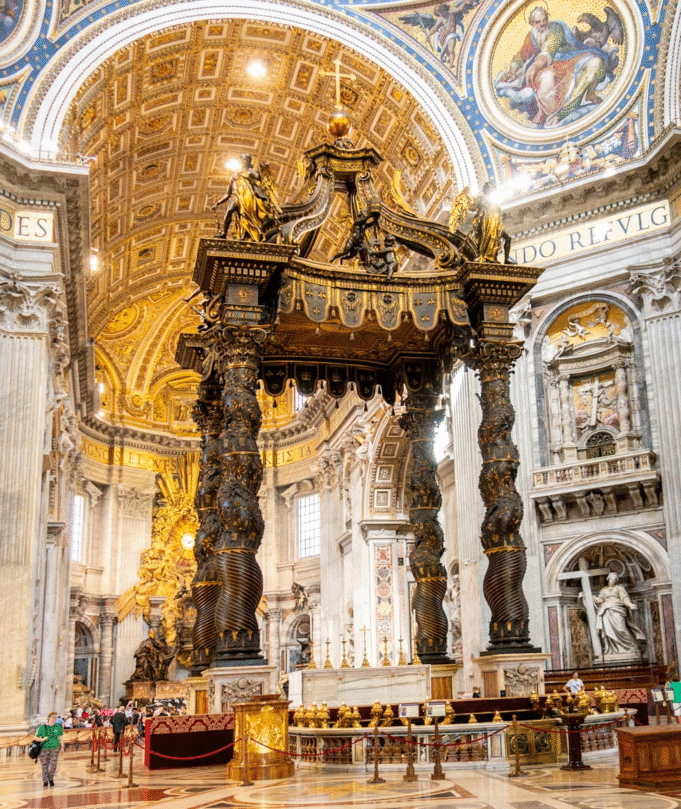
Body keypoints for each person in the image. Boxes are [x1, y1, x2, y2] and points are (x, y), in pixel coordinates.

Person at [495, 6, 609, 127]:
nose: (543, 23)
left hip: (572, 58)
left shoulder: (555, 28)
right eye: (538, 22)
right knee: (545, 80)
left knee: (596, 62)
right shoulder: (532, 36)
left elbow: (549, 49)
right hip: (552, 65)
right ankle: (546, 113)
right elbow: (522, 54)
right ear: (532, 23)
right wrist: (512, 72)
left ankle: (575, 104)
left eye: (545, 19)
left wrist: (534, 66)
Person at [592, 572, 646, 657]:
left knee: (621, 629)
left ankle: (631, 646)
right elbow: (599, 600)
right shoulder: (603, 590)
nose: (612, 580)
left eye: (614, 579)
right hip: (606, 611)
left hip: (617, 609)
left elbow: (624, 598)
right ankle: (611, 649)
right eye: (611, 578)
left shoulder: (619, 588)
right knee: (608, 631)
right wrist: (588, 596)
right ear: (608, 579)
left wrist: (630, 604)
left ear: (616, 581)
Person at [33, 711, 64, 787]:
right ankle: (45, 781)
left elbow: (61, 737)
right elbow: (35, 737)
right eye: (53, 717)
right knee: (44, 766)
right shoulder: (42, 727)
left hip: (55, 748)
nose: (54, 719)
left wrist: (62, 747)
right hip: (44, 749)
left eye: (55, 718)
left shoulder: (58, 727)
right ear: (48, 718)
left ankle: (51, 778)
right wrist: (43, 739)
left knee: (53, 765)